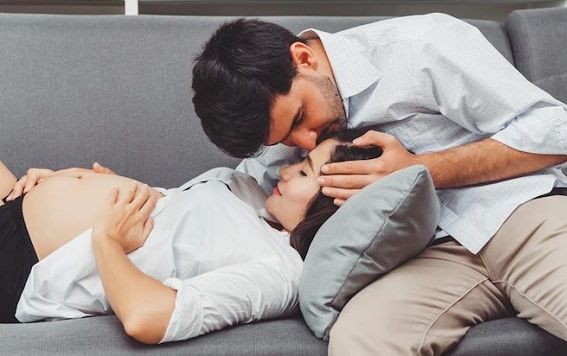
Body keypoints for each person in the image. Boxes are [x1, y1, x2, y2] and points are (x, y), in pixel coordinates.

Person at [191, 14, 567, 355]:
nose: (303, 143)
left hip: (525, 215)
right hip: (424, 260)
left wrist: (423, 167)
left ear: (303, 59)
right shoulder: (280, 127)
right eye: (286, 140)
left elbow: (561, 131)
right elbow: (235, 188)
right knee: (359, 341)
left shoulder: (420, 47)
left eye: (301, 120)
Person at [0, 133, 381, 344]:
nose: (283, 172)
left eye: (302, 173)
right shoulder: (248, 191)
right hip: (15, 202)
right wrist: (93, 181)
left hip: (18, 268)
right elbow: (169, 222)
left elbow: (146, 318)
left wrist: (108, 241)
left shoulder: (279, 273)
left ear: (330, 208)